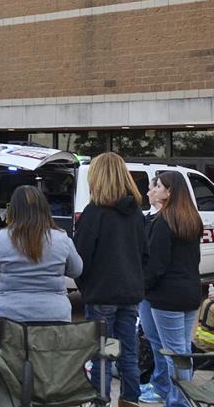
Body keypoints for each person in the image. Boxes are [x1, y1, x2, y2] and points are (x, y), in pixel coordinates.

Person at [73, 153, 146, 406]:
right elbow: (144, 254)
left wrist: (87, 287)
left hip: (101, 294)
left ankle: (100, 401)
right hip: (130, 293)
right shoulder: (136, 214)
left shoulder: (93, 214)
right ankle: (130, 399)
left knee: (102, 355)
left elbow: (80, 260)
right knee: (129, 353)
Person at [141, 171, 204, 407]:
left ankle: (180, 401)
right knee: (181, 349)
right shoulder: (192, 219)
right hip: (189, 291)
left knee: (175, 352)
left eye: (158, 187)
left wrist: (140, 287)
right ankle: (175, 395)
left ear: (169, 192)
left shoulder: (163, 221)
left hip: (166, 295)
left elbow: (156, 265)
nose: (154, 190)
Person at [0, 185, 82, 323]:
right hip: (55, 316)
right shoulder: (61, 238)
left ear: (14, 210)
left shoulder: (0, 238)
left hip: (10, 317)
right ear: (45, 209)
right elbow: (77, 270)